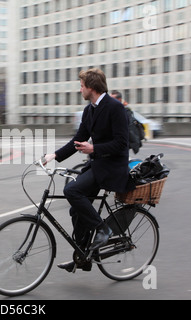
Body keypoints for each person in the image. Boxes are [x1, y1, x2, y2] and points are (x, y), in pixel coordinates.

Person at [43, 68, 135, 273]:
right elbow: (78, 140)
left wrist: (94, 148)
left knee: (72, 191)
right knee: (76, 210)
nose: (80, 89)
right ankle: (83, 256)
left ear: (91, 88)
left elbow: (122, 143)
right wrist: (54, 156)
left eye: (82, 86)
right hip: (97, 164)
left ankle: (103, 228)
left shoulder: (115, 107)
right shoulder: (89, 109)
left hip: (112, 166)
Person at [111, 90, 144, 154]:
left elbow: (129, 129)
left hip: (121, 144)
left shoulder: (124, 112)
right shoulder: (114, 110)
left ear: (119, 99)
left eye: (112, 99)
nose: (110, 101)